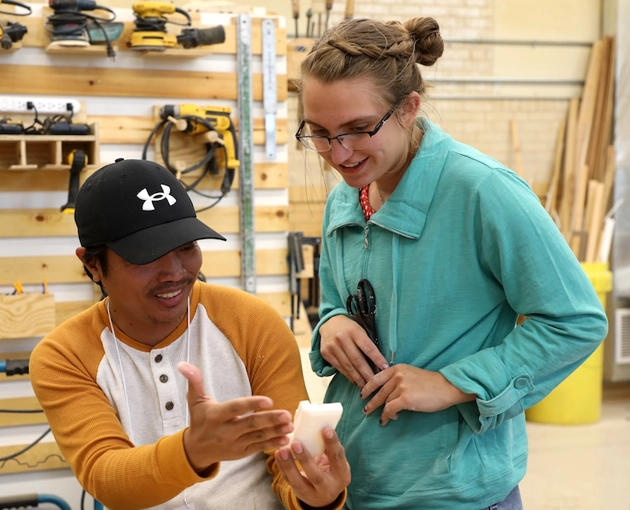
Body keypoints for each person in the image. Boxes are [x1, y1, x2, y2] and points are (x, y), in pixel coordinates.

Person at [296, 16, 608, 510]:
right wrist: (331, 323)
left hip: (458, 491)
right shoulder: (345, 198)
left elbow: (574, 321)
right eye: (319, 132)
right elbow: (341, 300)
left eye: (358, 129)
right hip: (359, 481)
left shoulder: (483, 192)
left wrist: (452, 382)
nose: (338, 153)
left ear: (409, 109)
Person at [29, 159, 350, 510]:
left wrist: (313, 496)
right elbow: (106, 475)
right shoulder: (64, 355)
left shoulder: (251, 322)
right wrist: (193, 450)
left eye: (186, 247)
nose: (175, 272)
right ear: (92, 264)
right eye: (146, 256)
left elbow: (288, 458)